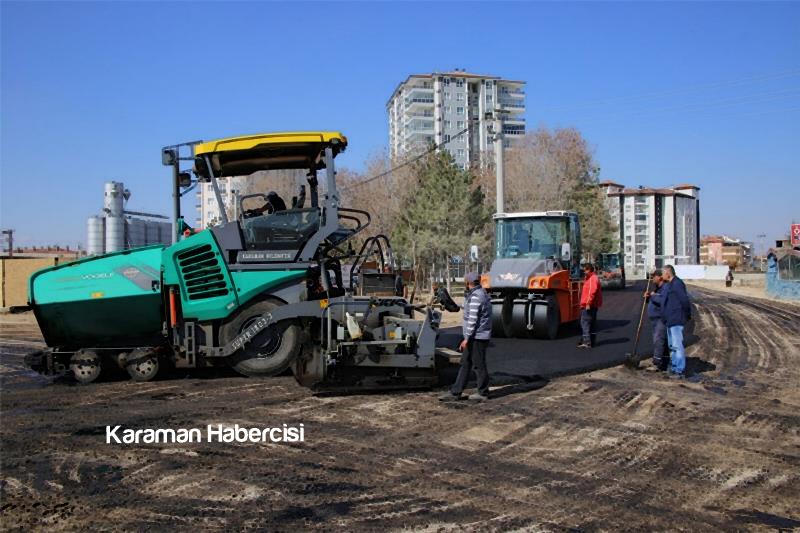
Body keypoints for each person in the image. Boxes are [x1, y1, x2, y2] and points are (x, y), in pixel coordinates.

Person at [439, 272, 492, 402]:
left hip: (477, 337)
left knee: (478, 365)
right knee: (465, 363)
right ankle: (456, 392)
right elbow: (470, 307)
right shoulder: (479, 293)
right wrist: (456, 305)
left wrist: (467, 338)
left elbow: (473, 319)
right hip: (477, 336)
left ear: (468, 283)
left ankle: (483, 393)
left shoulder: (476, 296)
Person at [661, 264, 692, 378]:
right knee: (672, 346)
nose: (662, 275)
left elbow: (684, 300)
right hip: (670, 319)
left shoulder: (677, 284)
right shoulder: (670, 284)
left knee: (677, 345)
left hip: (676, 319)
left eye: (663, 273)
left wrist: (687, 314)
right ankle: (674, 367)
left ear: (668, 273)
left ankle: (679, 370)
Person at [644, 269, 669, 371]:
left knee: (658, 340)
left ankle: (657, 363)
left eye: (654, 276)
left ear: (660, 277)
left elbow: (663, 301)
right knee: (661, 340)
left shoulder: (665, 288)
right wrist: (648, 297)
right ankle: (664, 362)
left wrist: (652, 296)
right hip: (655, 319)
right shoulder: (658, 288)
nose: (652, 278)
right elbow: (654, 299)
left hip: (661, 319)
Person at [578, 263, 603, 348]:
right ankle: (592, 342)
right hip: (593, 305)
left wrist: (588, 303)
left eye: (585, 270)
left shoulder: (592, 278)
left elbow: (592, 292)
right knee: (592, 323)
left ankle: (587, 342)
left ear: (589, 270)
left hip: (589, 305)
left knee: (584, 323)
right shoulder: (590, 278)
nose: (584, 272)